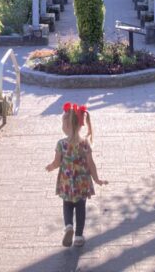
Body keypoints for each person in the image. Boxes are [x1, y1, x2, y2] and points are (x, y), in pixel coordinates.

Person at [45, 101, 107, 247]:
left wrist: (51, 166)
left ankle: (68, 226)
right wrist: (97, 179)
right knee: (80, 207)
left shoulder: (61, 144)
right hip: (82, 183)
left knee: (67, 204)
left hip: (67, 183)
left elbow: (57, 162)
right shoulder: (85, 143)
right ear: (80, 125)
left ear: (67, 126)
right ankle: (78, 236)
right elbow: (91, 163)